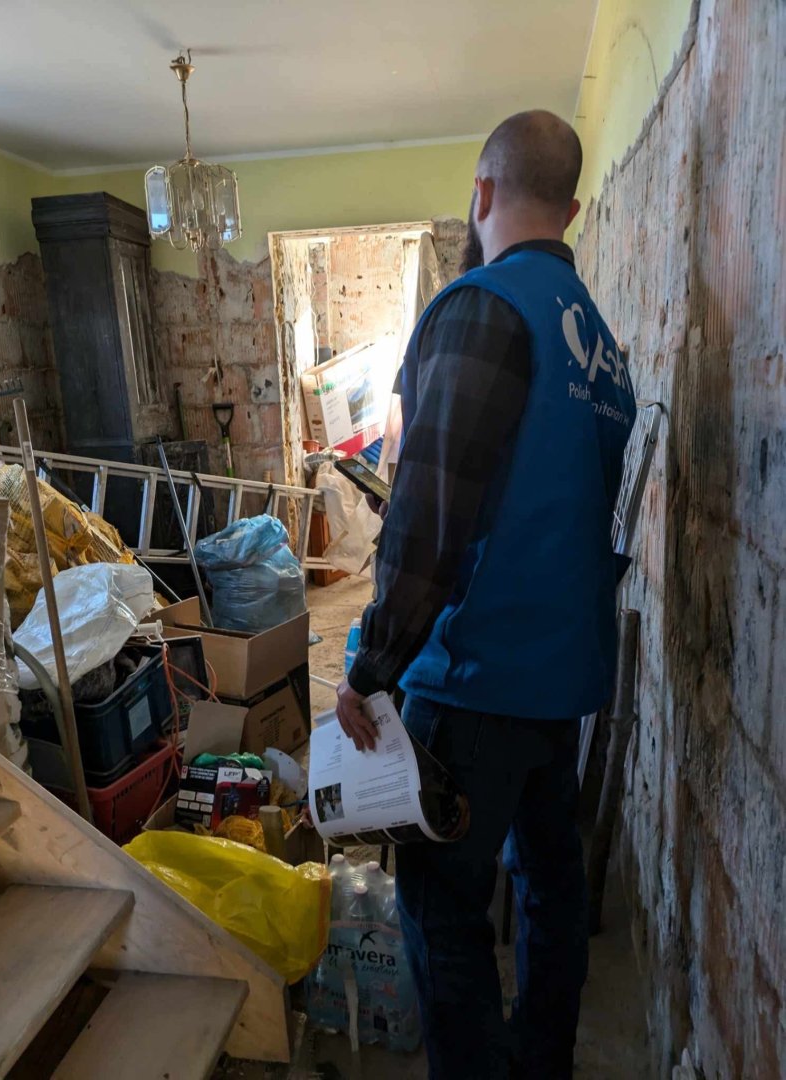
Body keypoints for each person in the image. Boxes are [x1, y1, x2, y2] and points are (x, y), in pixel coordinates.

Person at [336, 110, 637, 1079]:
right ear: (572, 211)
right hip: (563, 675)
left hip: (476, 680)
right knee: (549, 889)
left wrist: (371, 663)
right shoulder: (597, 342)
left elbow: (431, 515)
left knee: (442, 907)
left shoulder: (480, 307)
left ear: (480, 193)